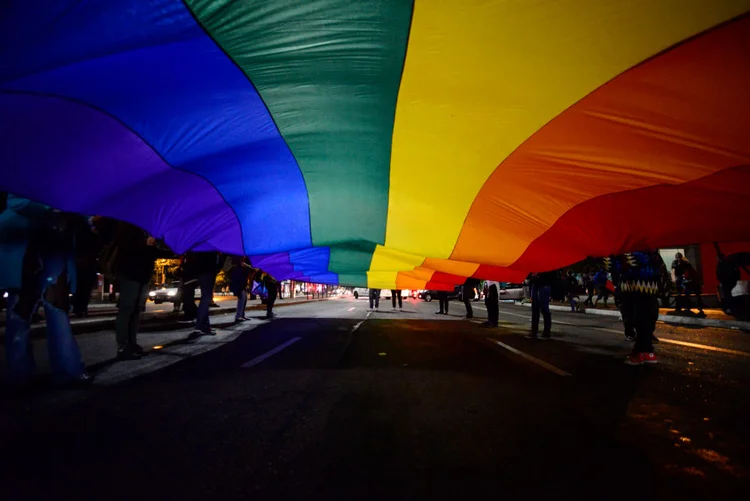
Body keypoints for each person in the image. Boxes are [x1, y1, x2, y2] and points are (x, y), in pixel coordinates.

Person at [0, 195, 91, 387]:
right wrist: (53, 214)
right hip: (26, 248)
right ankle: (21, 373)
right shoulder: (26, 171)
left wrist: (81, 218)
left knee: (56, 308)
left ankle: (68, 369)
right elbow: (16, 201)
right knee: (20, 313)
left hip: (52, 246)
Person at [113, 221, 170, 359]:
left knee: (137, 310)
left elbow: (151, 251)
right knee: (127, 309)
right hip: (130, 273)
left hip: (143, 274)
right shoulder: (127, 224)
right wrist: (145, 243)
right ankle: (122, 346)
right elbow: (125, 246)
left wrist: (169, 250)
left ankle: (132, 343)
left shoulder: (147, 227)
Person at [606, 251, 665, 365]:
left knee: (641, 322)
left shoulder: (634, 255)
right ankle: (646, 353)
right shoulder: (651, 254)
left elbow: (617, 273)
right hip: (647, 291)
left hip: (637, 290)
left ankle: (642, 353)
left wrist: (614, 259)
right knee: (645, 323)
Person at [183, 251, 221, 335]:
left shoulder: (200, 244)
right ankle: (199, 327)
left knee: (205, 298)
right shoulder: (210, 245)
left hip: (202, 270)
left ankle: (205, 326)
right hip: (208, 270)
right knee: (206, 298)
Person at [527, 270, 555, 339]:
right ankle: (534, 330)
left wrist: (538, 276)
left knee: (544, 309)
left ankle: (546, 331)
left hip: (544, 285)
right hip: (535, 285)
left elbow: (551, 274)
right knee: (535, 309)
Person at [229, 256, 252, 322]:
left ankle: (241, 315)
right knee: (242, 298)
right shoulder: (237, 260)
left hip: (243, 282)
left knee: (244, 298)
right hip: (239, 282)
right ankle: (238, 316)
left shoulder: (245, 259)